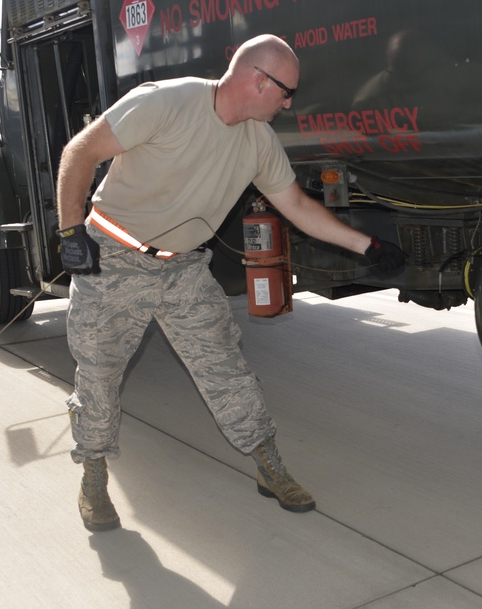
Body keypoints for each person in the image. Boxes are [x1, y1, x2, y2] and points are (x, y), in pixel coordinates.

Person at [56, 34, 407, 532]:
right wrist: (70, 231)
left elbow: (299, 208)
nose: (289, 102)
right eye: (286, 91)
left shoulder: (258, 141)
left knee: (226, 367)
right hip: (113, 259)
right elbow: (81, 151)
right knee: (98, 377)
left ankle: (270, 466)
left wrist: (366, 247)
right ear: (257, 80)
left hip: (182, 269)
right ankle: (93, 477)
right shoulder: (166, 101)